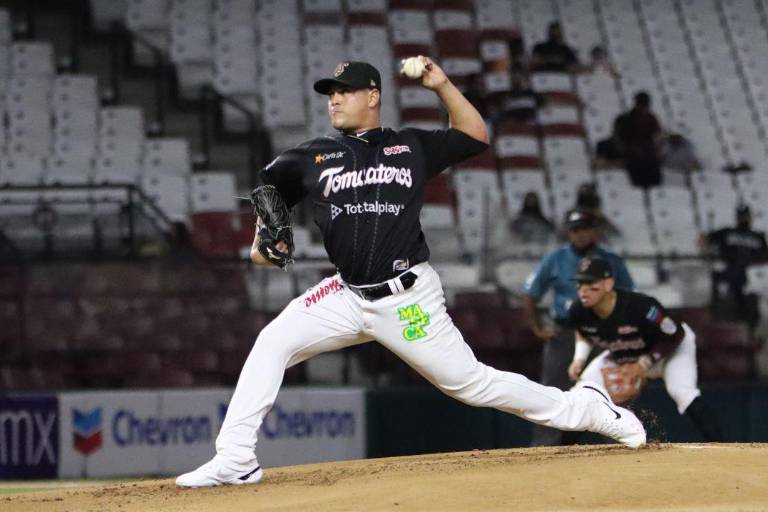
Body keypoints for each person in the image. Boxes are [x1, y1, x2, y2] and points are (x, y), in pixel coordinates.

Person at [176, 59, 646, 487]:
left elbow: (475, 135)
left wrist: (440, 84)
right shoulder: (309, 157)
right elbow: (268, 205)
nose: (334, 99)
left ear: (373, 95)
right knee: (271, 343)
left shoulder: (409, 145)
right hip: (345, 294)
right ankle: (236, 456)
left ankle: (587, 409)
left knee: (472, 384)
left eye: (345, 90)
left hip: (407, 298)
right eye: (330, 93)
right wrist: (264, 247)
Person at [566, 257, 724, 441]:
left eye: (590, 282)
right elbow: (583, 331)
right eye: (579, 283)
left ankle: (721, 449)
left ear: (608, 284)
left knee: (682, 392)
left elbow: (675, 333)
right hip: (626, 352)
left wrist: (644, 364)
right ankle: (562, 455)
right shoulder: (578, 311)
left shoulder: (639, 306)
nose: (582, 289)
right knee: (580, 395)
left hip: (669, 349)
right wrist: (579, 358)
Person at [522, 208, 634, 447]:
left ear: (594, 231)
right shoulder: (555, 259)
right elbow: (531, 294)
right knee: (552, 392)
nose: (580, 234)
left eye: (584, 228)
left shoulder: (610, 260)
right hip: (563, 333)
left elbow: (628, 296)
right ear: (568, 232)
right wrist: (538, 328)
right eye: (574, 230)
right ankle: (545, 448)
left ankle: (617, 442)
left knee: (612, 388)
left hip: (601, 334)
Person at [703, 204, 768, 324]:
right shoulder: (727, 232)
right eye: (741, 216)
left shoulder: (758, 236)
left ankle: (748, 324)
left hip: (749, 273)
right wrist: (707, 249)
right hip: (729, 271)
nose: (743, 218)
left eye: (745, 216)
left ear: (750, 217)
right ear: (737, 217)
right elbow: (704, 240)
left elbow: (765, 256)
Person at [615, 92, 663, 188]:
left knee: (654, 178)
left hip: (649, 154)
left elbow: (657, 135)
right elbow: (620, 138)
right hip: (633, 155)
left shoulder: (651, 118)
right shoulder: (625, 119)